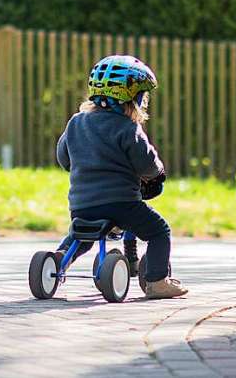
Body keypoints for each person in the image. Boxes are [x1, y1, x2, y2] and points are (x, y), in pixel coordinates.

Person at [53, 55, 187, 299]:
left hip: (82, 204)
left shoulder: (75, 123)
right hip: (122, 204)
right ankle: (157, 281)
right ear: (131, 98)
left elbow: (64, 159)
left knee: (80, 237)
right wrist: (157, 173)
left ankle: (57, 261)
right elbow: (147, 165)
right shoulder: (127, 128)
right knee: (159, 231)